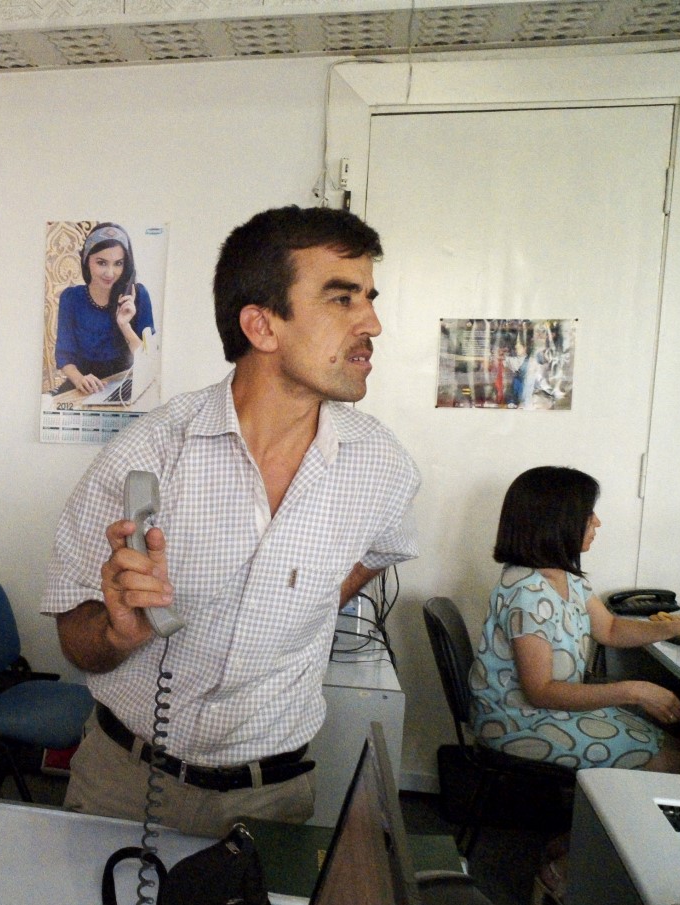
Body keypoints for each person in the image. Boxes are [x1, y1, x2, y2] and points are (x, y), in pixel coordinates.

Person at [42, 205, 420, 838]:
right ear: (261, 326)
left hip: (273, 798)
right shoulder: (144, 456)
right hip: (124, 782)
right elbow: (75, 639)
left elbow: (381, 551)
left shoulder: (384, 467)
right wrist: (118, 634)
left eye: (369, 298)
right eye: (342, 299)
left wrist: (303, 602)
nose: (372, 324)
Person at [469, 465, 680, 905]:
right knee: (672, 765)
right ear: (559, 522)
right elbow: (541, 691)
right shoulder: (528, 593)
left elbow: (609, 628)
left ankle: (574, 841)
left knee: (675, 750)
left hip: (546, 711)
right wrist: (635, 690)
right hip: (519, 721)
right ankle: (562, 871)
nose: (597, 523)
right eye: (590, 515)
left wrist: (670, 627)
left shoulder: (566, 579)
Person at [53, 222, 155, 396]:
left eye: (118, 263)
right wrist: (79, 379)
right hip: (83, 387)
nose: (110, 273)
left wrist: (125, 326)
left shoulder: (139, 296)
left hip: (124, 386)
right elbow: (65, 356)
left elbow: (149, 360)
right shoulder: (71, 298)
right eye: (101, 263)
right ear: (86, 260)